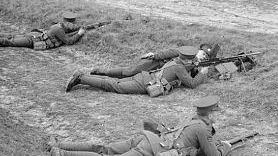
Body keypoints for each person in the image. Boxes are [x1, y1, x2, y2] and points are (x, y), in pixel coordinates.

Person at [48, 95, 232, 156]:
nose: (219, 115)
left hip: (147, 137)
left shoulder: (193, 119)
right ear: (211, 113)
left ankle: (58, 144)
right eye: (217, 112)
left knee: (104, 148)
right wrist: (226, 146)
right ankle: (62, 154)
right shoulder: (202, 128)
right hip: (151, 151)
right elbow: (214, 155)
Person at [65, 46, 209, 96]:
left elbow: (184, 70)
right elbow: (191, 83)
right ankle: (81, 78)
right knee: (115, 86)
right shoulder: (179, 67)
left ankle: (83, 77)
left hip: (145, 77)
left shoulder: (178, 62)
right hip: (145, 83)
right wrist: (202, 74)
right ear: (188, 59)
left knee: (114, 83)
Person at [90, 43, 214, 78]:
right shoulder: (186, 52)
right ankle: (102, 71)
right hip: (154, 64)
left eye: (205, 57)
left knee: (130, 79)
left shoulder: (196, 63)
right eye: (203, 53)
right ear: (198, 50)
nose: (203, 56)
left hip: (159, 74)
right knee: (129, 72)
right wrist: (154, 55)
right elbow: (168, 53)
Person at [0, 13, 86, 50]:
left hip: (34, 36)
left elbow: (73, 29)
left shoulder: (62, 25)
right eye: (72, 23)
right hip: (32, 40)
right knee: (10, 42)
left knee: (12, 36)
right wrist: (79, 34)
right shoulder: (58, 29)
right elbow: (69, 42)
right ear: (67, 22)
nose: (74, 25)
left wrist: (85, 28)